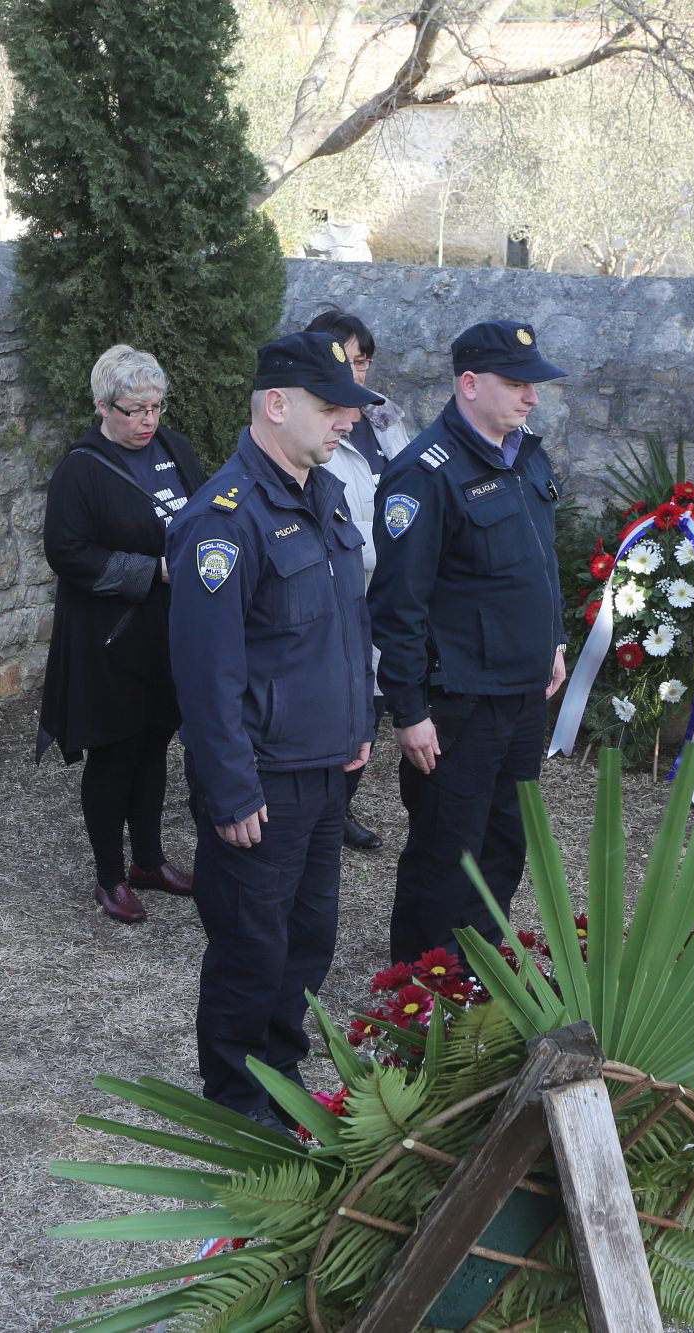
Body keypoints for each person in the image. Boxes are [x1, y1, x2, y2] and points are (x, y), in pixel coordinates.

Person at [167, 330, 378, 1126]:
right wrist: (229, 786)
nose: (346, 422)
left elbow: (344, 624)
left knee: (308, 935)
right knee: (251, 947)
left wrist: (358, 720)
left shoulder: (320, 494)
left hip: (326, 765)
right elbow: (206, 671)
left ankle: (281, 1072)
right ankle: (236, 1098)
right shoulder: (224, 519)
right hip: (262, 777)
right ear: (276, 404)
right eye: (331, 407)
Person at [369, 319, 570, 965]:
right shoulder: (424, 473)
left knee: (504, 844)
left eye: (533, 383)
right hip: (458, 701)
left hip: (520, 694)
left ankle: (480, 973)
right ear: (469, 383)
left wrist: (556, 641)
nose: (531, 396)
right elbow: (398, 603)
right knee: (445, 853)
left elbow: (542, 562)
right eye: (516, 383)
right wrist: (410, 709)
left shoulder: (527, 455)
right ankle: (419, 989)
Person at [37, 345, 205, 923]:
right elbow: (67, 553)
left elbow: (204, 512)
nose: (147, 421)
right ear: (102, 406)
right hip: (107, 639)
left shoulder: (174, 450)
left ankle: (150, 861)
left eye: (155, 407)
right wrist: (153, 570)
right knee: (114, 755)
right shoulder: (80, 469)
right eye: (134, 410)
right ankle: (110, 874)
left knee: (156, 743)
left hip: (166, 633)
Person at [304, 308, 412, 852]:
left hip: (385, 593)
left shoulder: (385, 418)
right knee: (339, 703)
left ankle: (338, 809)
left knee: (373, 705)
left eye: (364, 361)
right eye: (348, 359)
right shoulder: (314, 428)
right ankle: (319, 811)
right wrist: (400, 540)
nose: (358, 372)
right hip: (340, 591)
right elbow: (331, 525)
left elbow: (416, 490)